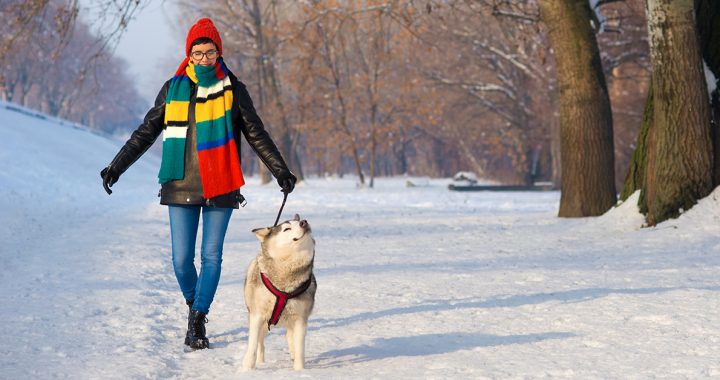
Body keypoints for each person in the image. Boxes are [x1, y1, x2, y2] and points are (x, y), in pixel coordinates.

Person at [100, 18, 296, 350]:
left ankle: (198, 319)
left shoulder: (233, 89)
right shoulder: (173, 88)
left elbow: (255, 133)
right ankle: (195, 304)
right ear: (188, 55)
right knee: (180, 260)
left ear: (219, 53)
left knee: (211, 256)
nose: (204, 59)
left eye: (210, 52)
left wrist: (281, 170)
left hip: (221, 184)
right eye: (198, 53)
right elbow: (146, 132)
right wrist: (116, 167)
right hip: (180, 183)